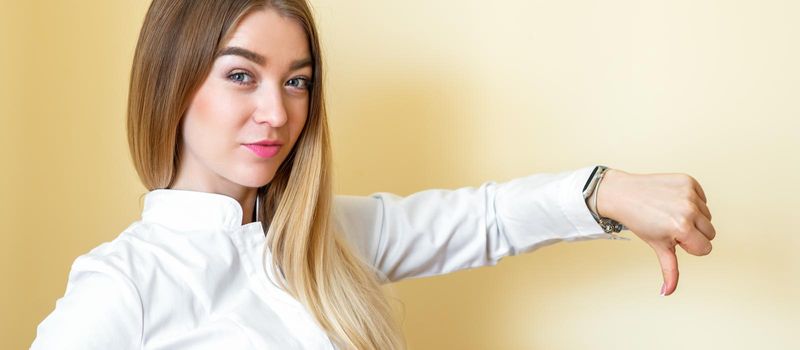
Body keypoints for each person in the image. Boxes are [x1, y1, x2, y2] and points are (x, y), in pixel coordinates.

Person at [30, 1, 716, 349]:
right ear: (172, 84)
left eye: (297, 82)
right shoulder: (124, 284)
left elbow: (484, 219)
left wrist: (608, 193)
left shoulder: (324, 241)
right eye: (242, 75)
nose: (276, 111)